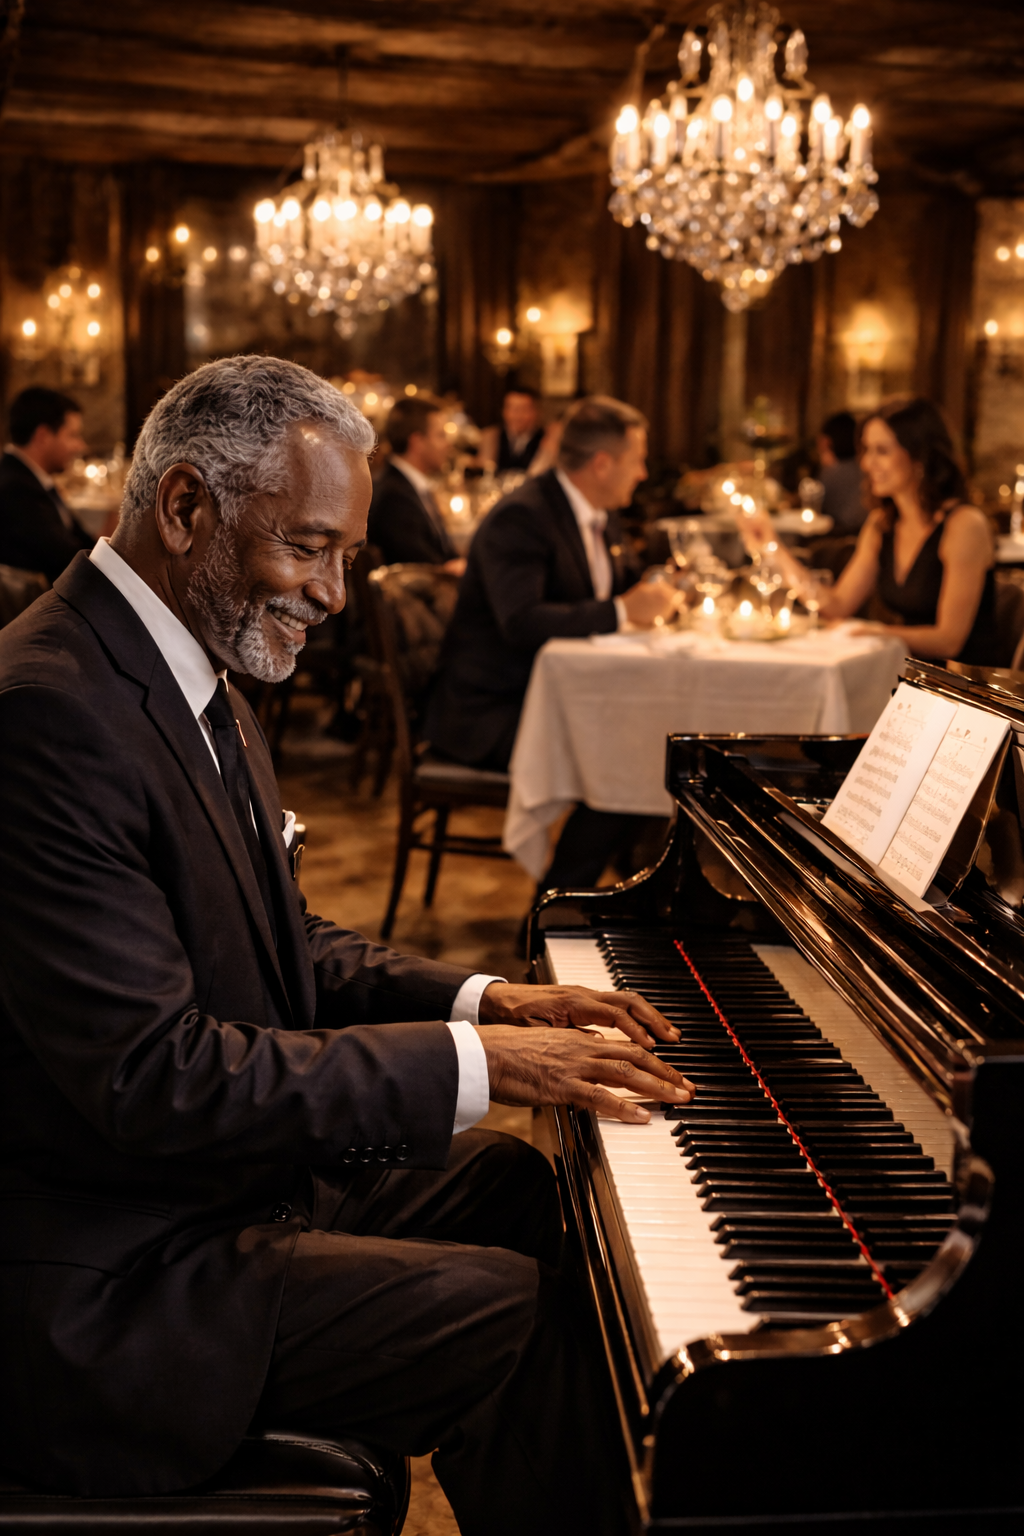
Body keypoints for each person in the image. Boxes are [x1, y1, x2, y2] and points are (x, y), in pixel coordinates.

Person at [0, 355, 695, 1534]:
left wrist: (487, 1005)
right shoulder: (49, 712)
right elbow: (155, 1075)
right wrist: (482, 1071)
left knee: (516, 1186)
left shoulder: (185, 666)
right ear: (183, 508)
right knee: (516, 1311)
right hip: (110, 1279)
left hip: (200, 1195)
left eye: (348, 557)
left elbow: (279, 941)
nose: (333, 593)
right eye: (309, 548)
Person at [427, 395, 679, 892]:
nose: (644, 473)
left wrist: (660, 587)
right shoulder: (523, 517)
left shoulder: (599, 513)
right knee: (626, 758)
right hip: (489, 709)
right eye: (637, 460)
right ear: (602, 464)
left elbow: (623, 583)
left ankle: (631, 889)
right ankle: (561, 906)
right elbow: (521, 622)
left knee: (661, 748)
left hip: (567, 700)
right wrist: (626, 610)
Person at [745, 396, 998, 665]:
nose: (866, 463)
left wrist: (877, 632)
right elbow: (837, 605)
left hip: (967, 688)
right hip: (913, 677)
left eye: (882, 451)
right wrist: (771, 547)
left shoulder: (964, 525)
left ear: (919, 456)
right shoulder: (882, 524)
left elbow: (949, 640)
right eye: (866, 450)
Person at [0, 385, 92, 581]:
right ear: (42, 436)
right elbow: (68, 560)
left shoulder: (34, 479)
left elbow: (79, 540)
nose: (81, 446)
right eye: (72, 435)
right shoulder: (16, 488)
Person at [367, 395, 465, 573]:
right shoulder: (393, 496)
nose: (448, 445)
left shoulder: (410, 485)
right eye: (441, 435)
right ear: (417, 441)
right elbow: (419, 566)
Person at [817, 410, 866, 534]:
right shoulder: (862, 469)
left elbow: (816, 512)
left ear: (827, 442)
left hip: (840, 537)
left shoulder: (831, 473)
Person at [478, 385, 544, 473]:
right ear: (504, 411)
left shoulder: (545, 440)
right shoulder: (492, 436)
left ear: (535, 412)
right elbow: (483, 468)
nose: (518, 416)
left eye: (524, 409)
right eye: (513, 409)